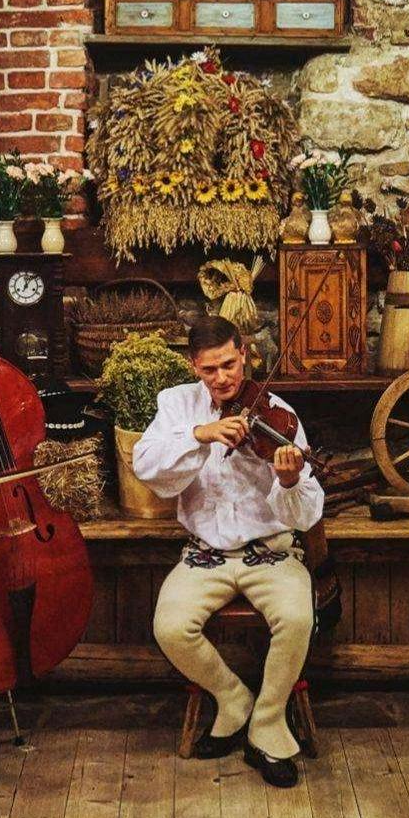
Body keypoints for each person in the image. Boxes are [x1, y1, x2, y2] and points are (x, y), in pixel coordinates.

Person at [131, 317, 324, 788]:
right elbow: (146, 467)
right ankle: (233, 698)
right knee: (170, 627)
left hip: (271, 552)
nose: (222, 378)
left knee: (297, 618)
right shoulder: (176, 405)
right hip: (206, 554)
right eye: (209, 370)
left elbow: (306, 513)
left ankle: (268, 724)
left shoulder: (278, 413)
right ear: (193, 366)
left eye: (229, 365)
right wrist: (200, 435)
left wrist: (289, 481)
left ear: (244, 354)